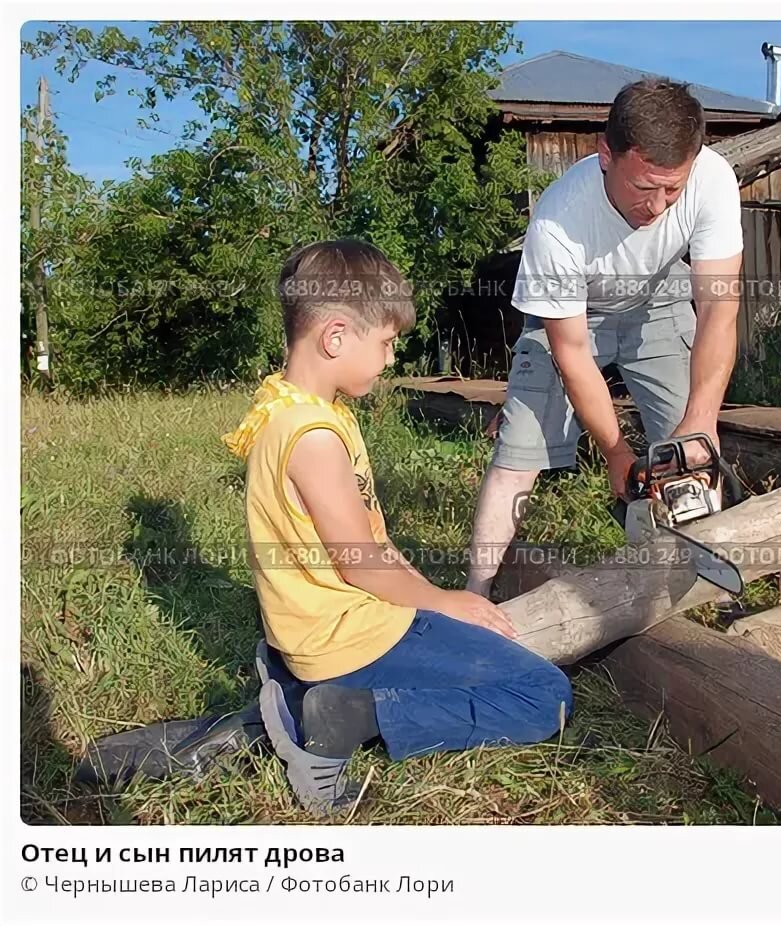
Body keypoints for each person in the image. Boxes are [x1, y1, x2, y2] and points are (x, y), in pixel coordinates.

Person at [218, 239, 573, 813]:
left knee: (467, 639)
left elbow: (371, 541)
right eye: (385, 344)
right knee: (545, 695)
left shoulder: (297, 413)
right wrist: (442, 600)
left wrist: (432, 603)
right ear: (335, 337)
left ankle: (295, 683)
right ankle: (351, 714)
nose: (389, 361)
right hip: (351, 638)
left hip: (328, 629)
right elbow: (360, 562)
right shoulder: (313, 438)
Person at [466, 78, 744, 599]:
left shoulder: (713, 179)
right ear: (605, 155)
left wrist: (700, 423)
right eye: (644, 188)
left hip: (660, 300)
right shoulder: (557, 224)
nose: (660, 206)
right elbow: (571, 354)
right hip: (573, 318)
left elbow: (718, 311)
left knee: (691, 452)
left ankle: (705, 580)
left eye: (673, 190)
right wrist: (617, 454)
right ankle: (476, 591)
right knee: (518, 453)